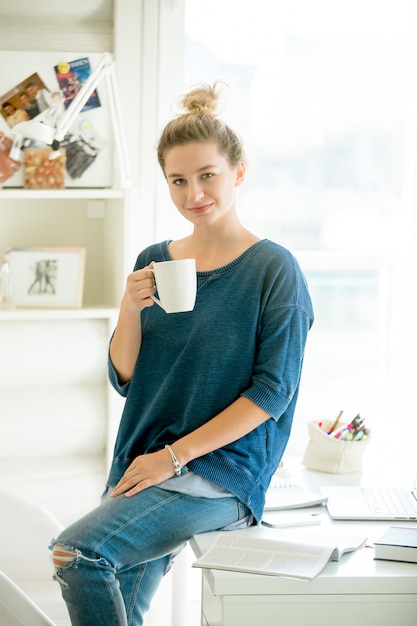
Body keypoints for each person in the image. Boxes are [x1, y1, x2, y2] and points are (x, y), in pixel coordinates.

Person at [50, 82, 314, 626]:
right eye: (178, 180)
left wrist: (174, 457)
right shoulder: (155, 260)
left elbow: (272, 393)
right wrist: (129, 307)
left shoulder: (273, 269)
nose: (194, 193)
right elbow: (125, 377)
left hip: (218, 471)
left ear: (239, 172)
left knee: (77, 554)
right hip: (141, 460)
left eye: (207, 175)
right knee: (125, 606)